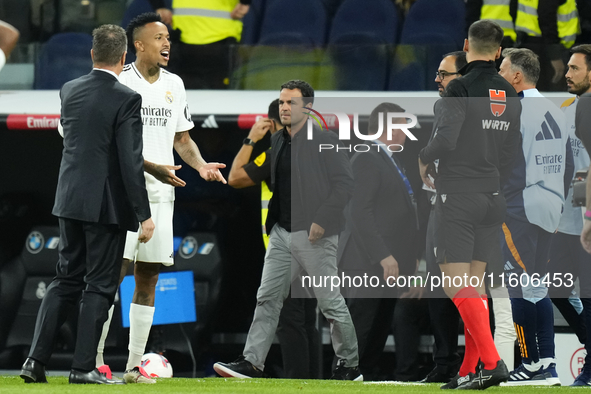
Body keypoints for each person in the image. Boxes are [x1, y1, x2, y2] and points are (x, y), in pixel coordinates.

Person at [94, 12, 226, 384]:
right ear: (138, 44)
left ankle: (134, 366)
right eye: (159, 37)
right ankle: (97, 360)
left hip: (162, 194)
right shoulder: (120, 81)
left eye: (169, 37)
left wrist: (200, 166)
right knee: (112, 275)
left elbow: (181, 138)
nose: (167, 43)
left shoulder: (175, 84)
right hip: (122, 193)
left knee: (147, 277)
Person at [19, 24, 154, 385]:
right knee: (99, 285)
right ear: (124, 57)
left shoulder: (69, 89)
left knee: (64, 280)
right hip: (105, 206)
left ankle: (35, 361)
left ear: (92, 54)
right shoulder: (127, 98)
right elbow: (130, 160)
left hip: (68, 200)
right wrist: (145, 214)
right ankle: (82, 368)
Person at [213, 79, 361, 380]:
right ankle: (252, 362)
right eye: (281, 102)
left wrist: (322, 218)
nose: (283, 107)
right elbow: (238, 178)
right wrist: (251, 140)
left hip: (314, 235)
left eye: (290, 102)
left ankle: (349, 365)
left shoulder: (325, 139)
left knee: (330, 303)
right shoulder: (278, 141)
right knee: (266, 298)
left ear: (307, 107)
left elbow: (345, 184)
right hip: (281, 234)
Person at [418, 20, 521, 390]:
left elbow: (445, 141)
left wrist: (423, 157)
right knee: (474, 288)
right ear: (498, 51)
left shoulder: (458, 87)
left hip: (458, 197)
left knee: (456, 286)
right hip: (493, 199)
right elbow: (511, 154)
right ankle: (468, 369)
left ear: (466, 45)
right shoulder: (510, 92)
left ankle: (492, 363)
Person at [227, 100, 321, 379]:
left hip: (287, 247)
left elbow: (234, 177)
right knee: (306, 320)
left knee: (290, 319)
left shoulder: (275, 152)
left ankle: (298, 382)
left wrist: (250, 139)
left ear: (271, 123)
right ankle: (314, 381)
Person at [498, 47, 571, 386]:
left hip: (521, 207)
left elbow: (504, 164)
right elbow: (571, 165)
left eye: (502, 69)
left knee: (520, 288)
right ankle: (546, 364)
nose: (498, 75)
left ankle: (532, 364)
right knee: (535, 286)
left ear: (517, 75)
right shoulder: (555, 109)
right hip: (551, 206)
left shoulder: (515, 110)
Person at [337, 102, 419, 380]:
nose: (407, 135)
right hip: (366, 263)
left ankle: (363, 379)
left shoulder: (388, 160)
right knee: (360, 334)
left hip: (384, 267)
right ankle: (343, 382)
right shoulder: (366, 156)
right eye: (402, 128)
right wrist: (383, 255)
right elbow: (358, 211)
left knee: (376, 336)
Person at [420, 51, 466, 384]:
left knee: (468, 287)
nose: (437, 79)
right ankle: (445, 361)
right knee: (437, 286)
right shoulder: (441, 107)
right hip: (439, 205)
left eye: (444, 74)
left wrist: (425, 156)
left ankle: (475, 360)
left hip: (467, 206)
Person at [552, 44, 591, 386]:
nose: (567, 74)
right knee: (555, 286)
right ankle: (589, 341)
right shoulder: (565, 107)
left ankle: (590, 369)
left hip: (588, 220)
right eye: (568, 67)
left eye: (575, 68)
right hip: (565, 220)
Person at [148, 0, 251, 89]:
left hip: (187, 41)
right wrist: (245, 2)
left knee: (185, 98)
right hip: (219, 40)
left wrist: (159, 6)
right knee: (220, 98)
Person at [514, 0, 579, 91]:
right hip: (548, 48)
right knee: (552, 93)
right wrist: (555, 56)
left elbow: (512, 9)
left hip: (533, 43)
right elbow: (546, 18)